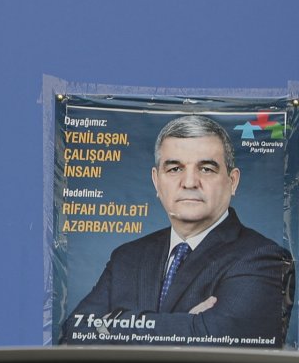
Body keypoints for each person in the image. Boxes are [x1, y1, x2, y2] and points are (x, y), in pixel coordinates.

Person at [62, 115, 295, 346]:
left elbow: (217, 339)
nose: (190, 182)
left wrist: (114, 323)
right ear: (156, 181)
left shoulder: (264, 258)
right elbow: (75, 333)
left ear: (232, 181)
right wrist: (186, 326)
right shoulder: (127, 257)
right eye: (174, 168)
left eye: (206, 169)